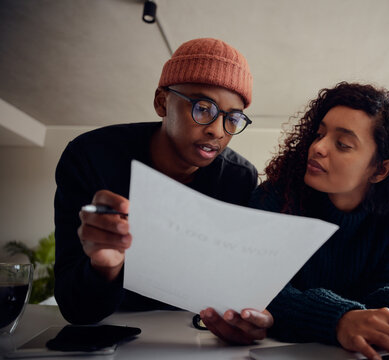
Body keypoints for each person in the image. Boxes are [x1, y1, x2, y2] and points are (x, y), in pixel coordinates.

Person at [54, 37, 273, 344]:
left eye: (232, 119)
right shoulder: (90, 158)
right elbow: (74, 307)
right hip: (111, 326)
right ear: (161, 102)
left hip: (192, 335)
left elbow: (231, 283)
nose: (217, 130)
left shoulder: (239, 178)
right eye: (203, 107)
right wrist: (103, 266)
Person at [248, 82, 389, 359]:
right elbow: (255, 287)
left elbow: (388, 283)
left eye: (342, 144)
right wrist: (339, 318)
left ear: (380, 170)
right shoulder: (275, 199)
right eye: (319, 134)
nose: (317, 147)